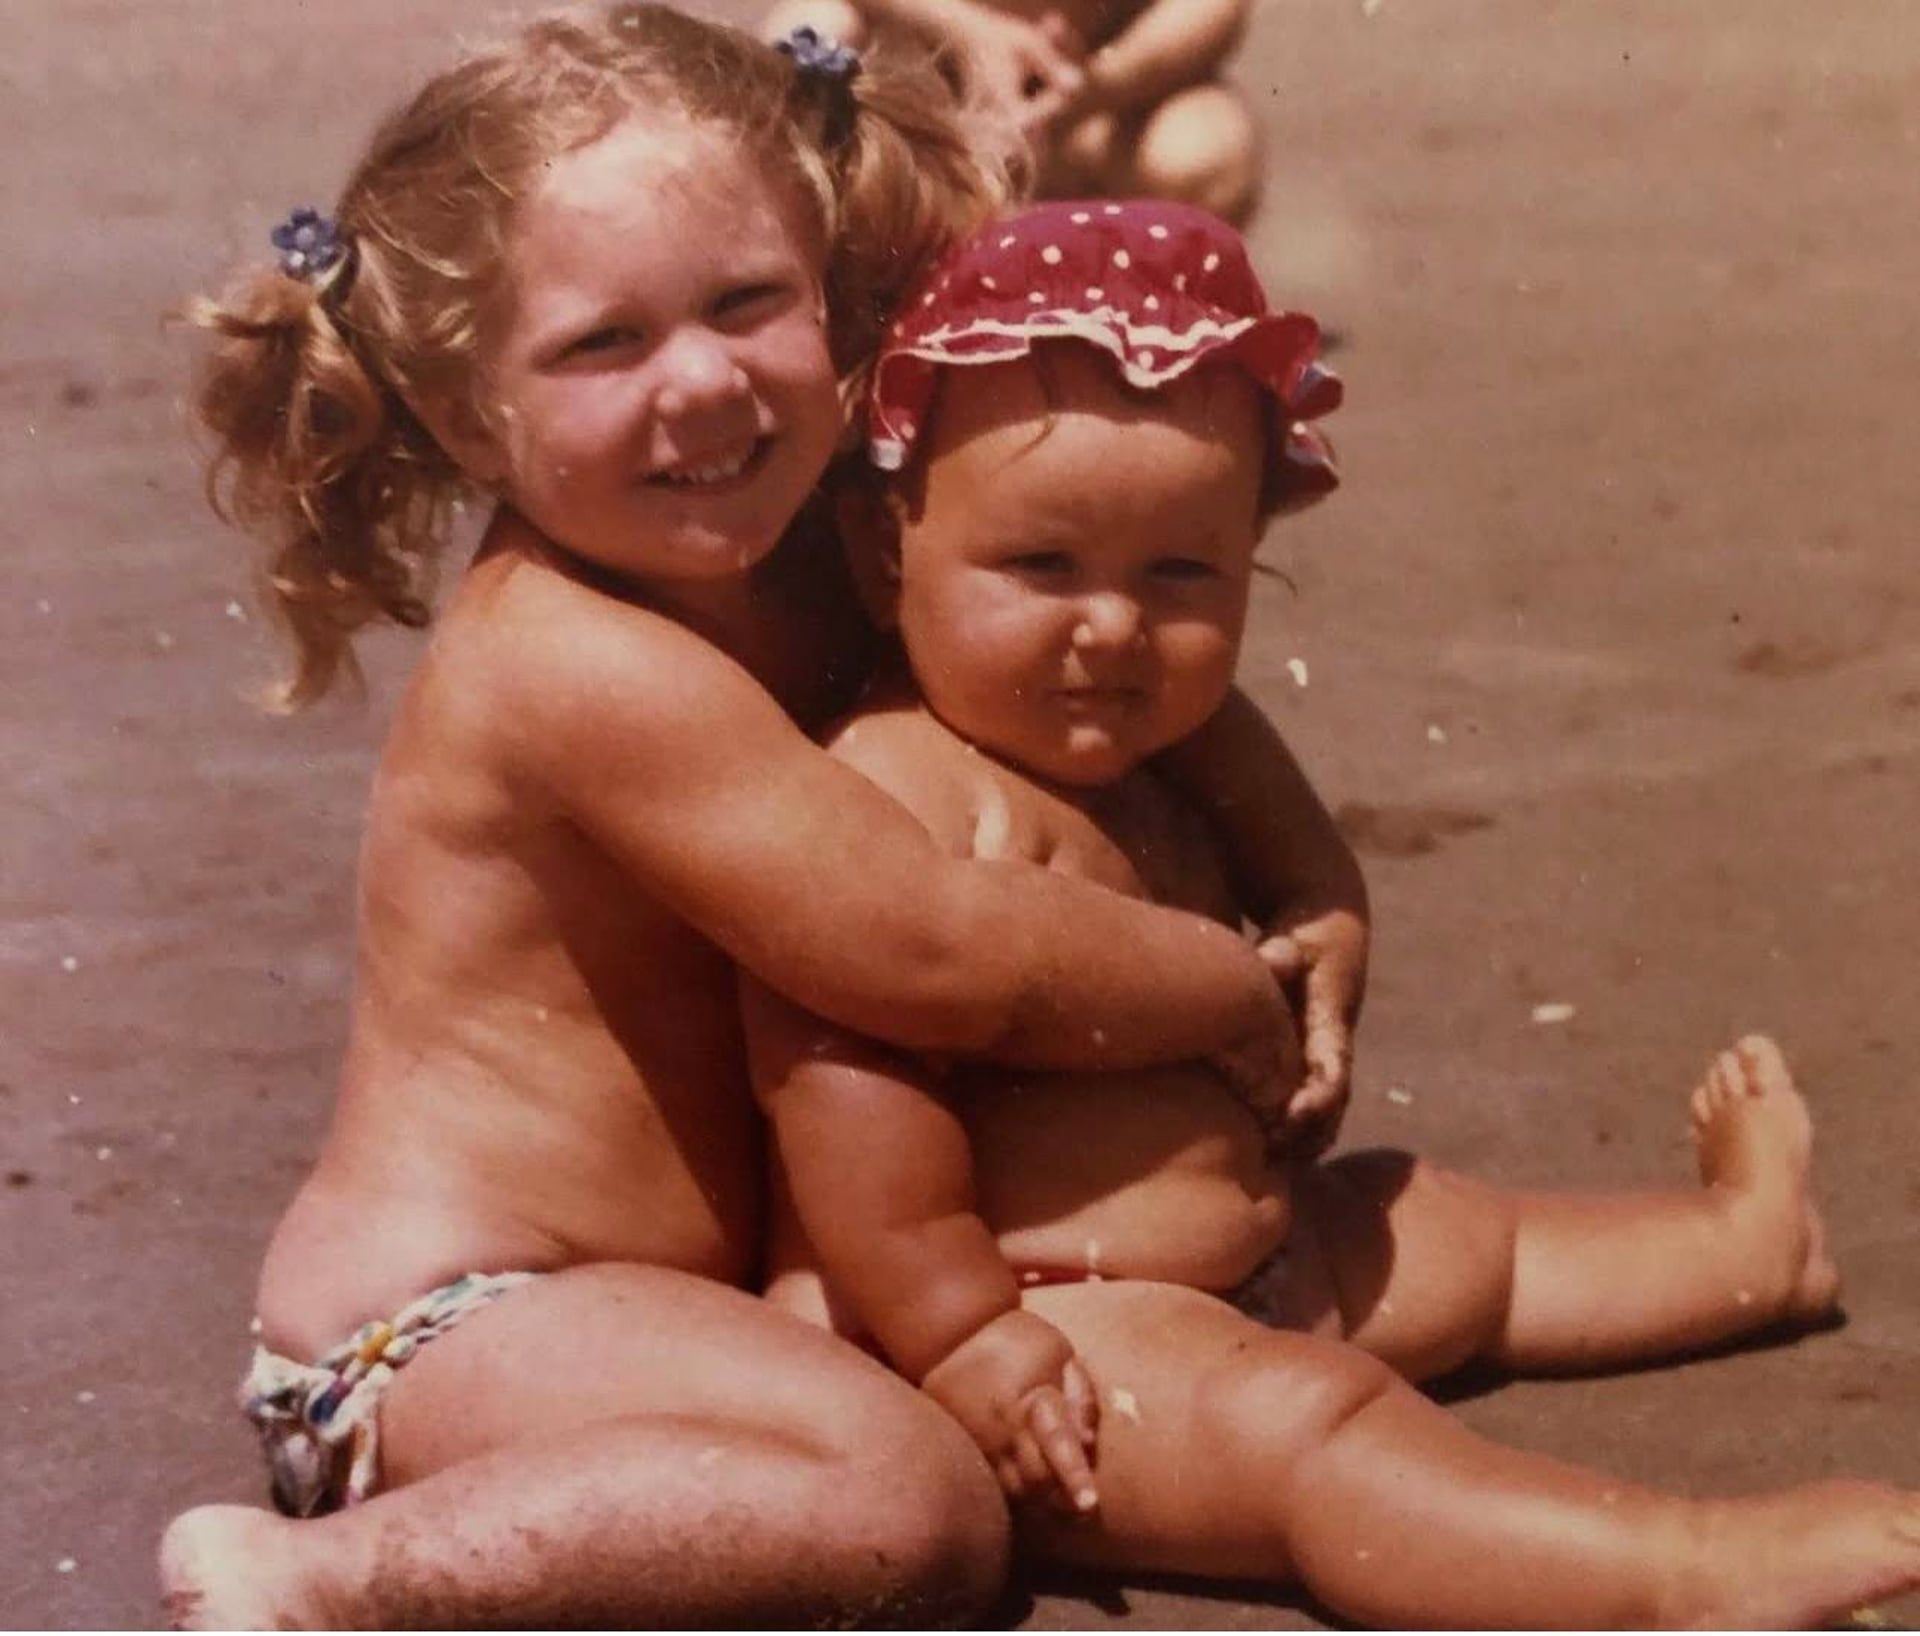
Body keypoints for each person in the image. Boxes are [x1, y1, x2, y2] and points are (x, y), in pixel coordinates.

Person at [155, 11, 1365, 1628]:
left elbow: (1122, 683)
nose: (705, 380)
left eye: (745, 304)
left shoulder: (817, 538)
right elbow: (922, 949)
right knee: (913, 1503)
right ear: (465, 415)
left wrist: (1312, 877)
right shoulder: (564, 657)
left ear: (828, 290)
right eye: (605, 344)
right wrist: (1230, 985)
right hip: (451, 1320)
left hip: (668, 1310)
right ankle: (325, 1581)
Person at [746, 197, 1920, 1628]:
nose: (1113, 627)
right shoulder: (895, 790)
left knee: (1460, 1233)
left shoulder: (1172, 731)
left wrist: (1329, 934)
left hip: (1256, 1256)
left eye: (1182, 573)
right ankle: (1676, 1572)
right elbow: (843, 1087)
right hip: (1040, 1338)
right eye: (1042, 566)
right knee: (1319, 1438)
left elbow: (1305, 869)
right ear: (887, 557)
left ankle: (1750, 1251)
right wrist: (961, 1331)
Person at [761, 0, 1263, 223]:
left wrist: (1094, 85)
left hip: (1093, 105)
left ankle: (1174, 349)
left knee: (1202, 153)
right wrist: (968, 31)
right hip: (926, 96)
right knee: (811, 30)